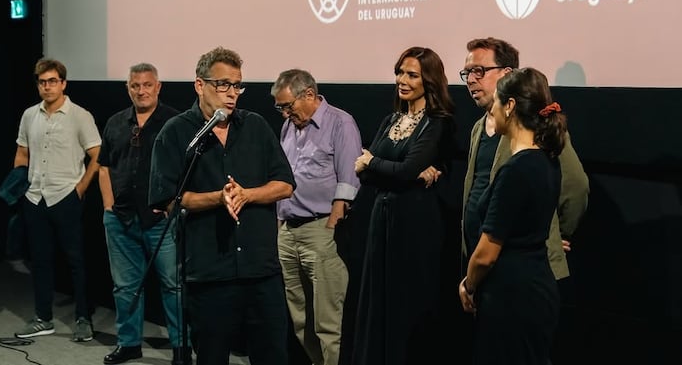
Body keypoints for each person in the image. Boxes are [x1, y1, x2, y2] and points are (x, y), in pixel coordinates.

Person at [148, 46, 296, 365]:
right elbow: (170, 199)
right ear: (200, 85)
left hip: (260, 271)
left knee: (273, 355)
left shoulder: (255, 126)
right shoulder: (176, 133)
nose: (232, 94)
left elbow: (285, 183)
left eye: (237, 86)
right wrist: (218, 197)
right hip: (210, 273)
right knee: (212, 357)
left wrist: (247, 194)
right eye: (223, 85)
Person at [419, 37, 588, 280]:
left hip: (517, 266)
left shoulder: (533, 126)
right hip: (479, 258)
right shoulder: (478, 127)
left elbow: (575, 186)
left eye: (479, 71)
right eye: (467, 73)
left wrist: (551, 233)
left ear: (507, 74)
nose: (471, 80)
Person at [351, 46, 456, 365]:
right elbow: (366, 175)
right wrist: (383, 169)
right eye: (400, 72)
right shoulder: (391, 118)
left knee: (405, 303)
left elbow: (407, 169)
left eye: (412, 74)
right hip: (382, 218)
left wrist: (373, 161)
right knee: (377, 303)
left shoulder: (438, 122)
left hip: (414, 224)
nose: (403, 80)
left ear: (429, 81)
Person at [458, 67, 567, 364]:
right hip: (535, 291)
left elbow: (486, 254)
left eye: (496, 102)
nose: (491, 109)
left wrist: (468, 284)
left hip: (512, 298)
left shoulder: (516, 170)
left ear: (509, 106)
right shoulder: (548, 161)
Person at [98, 63, 192, 364]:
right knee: (125, 287)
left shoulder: (175, 121)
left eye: (147, 85)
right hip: (121, 219)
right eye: (135, 85)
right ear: (128, 88)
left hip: (160, 221)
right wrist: (108, 207)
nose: (141, 91)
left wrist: (173, 206)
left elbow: (188, 169)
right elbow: (104, 167)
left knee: (173, 285)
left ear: (158, 86)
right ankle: (129, 344)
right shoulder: (115, 122)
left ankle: (181, 348)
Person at [270, 69, 362, 365]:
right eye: (280, 108)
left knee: (327, 322)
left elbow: (349, 179)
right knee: (300, 321)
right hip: (288, 231)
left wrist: (331, 225)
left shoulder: (340, 122)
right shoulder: (289, 127)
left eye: (288, 106)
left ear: (309, 94)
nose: (285, 114)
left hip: (319, 230)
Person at [13, 58, 101, 342]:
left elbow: (97, 155)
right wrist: (20, 182)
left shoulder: (79, 115)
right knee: (40, 260)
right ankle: (43, 318)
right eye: (42, 82)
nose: (47, 86)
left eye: (52, 81)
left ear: (63, 83)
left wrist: (81, 189)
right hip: (35, 197)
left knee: (76, 260)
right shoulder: (29, 115)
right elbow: (22, 152)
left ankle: (83, 318)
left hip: (66, 196)